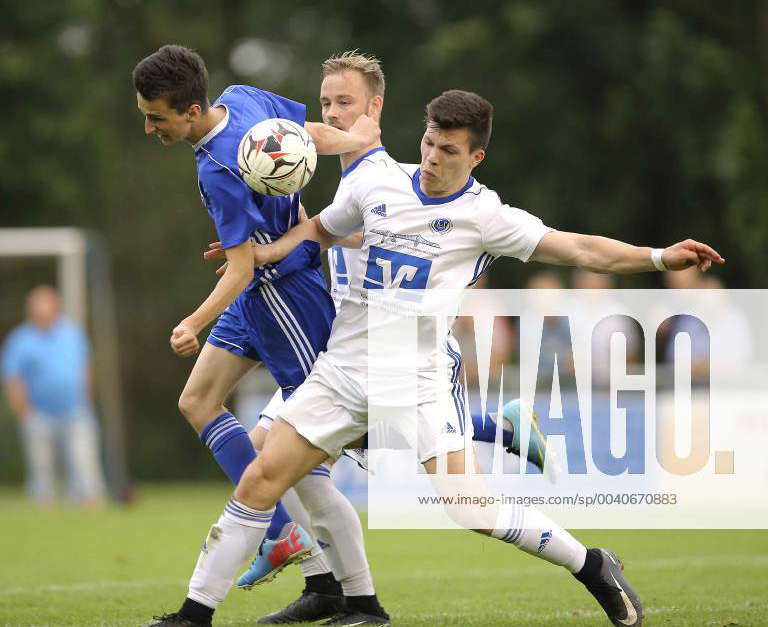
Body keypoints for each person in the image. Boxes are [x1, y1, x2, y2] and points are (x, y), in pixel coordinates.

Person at [151, 89, 724, 627]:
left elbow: (577, 247)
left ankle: (592, 563)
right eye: (427, 142)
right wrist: (259, 252)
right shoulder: (379, 183)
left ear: (476, 156)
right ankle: (193, 615)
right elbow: (319, 231)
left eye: (448, 151)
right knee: (260, 477)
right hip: (344, 371)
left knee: (473, 511)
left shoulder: (485, 215)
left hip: (417, 381)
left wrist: (656, 256)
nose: (431, 157)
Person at [132, 43, 379, 600]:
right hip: (256, 297)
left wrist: (192, 323)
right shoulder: (242, 98)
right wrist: (357, 139)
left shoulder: (217, 168)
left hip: (284, 294)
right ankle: (284, 539)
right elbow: (308, 136)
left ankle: (486, 427)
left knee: (351, 436)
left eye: (157, 118)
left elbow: (241, 269)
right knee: (197, 401)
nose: (151, 128)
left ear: (192, 110)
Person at [1, 285, 105, 505]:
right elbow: (13, 380)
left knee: (84, 463)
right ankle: (44, 508)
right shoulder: (20, 340)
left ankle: (90, 505)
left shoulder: (72, 334)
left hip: (76, 411)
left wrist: (86, 401)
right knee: (42, 470)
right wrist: (25, 414)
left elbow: (85, 368)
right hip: (38, 415)